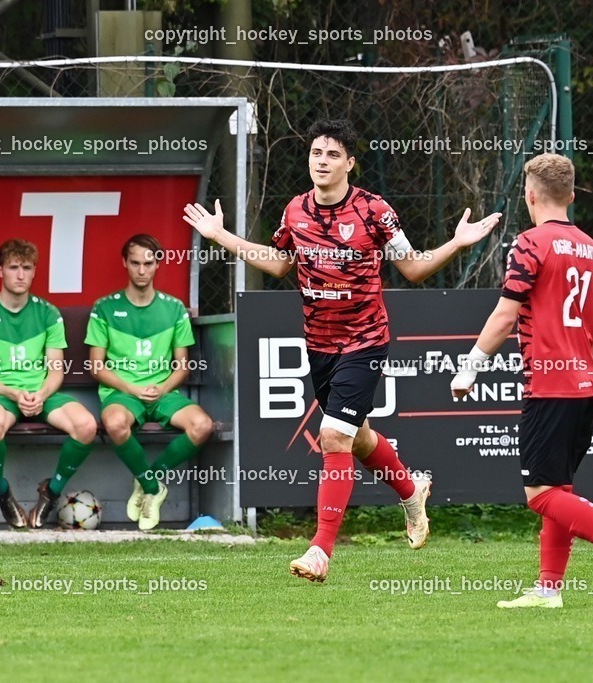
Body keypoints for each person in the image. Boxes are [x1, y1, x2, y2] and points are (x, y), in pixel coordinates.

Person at [184, 118, 501, 582]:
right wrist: (222, 237)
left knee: (334, 438)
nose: (323, 162)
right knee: (361, 437)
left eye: (333, 155)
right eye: (316, 153)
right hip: (319, 344)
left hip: (365, 340)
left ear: (350, 163)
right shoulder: (295, 211)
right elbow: (278, 264)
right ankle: (411, 492)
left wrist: (455, 242)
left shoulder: (374, 210)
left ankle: (319, 551)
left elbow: (411, 268)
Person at [450, 153, 593, 608]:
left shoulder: (529, 243)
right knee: (559, 490)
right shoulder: (592, 248)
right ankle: (549, 590)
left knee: (540, 495)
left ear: (530, 195)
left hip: (551, 388)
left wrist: (469, 367)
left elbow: (506, 314)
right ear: (569, 195)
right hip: (586, 383)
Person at [0, 239, 98, 529]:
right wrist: (13, 392)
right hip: (1, 394)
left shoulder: (48, 314)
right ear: (0, 270)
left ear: (35, 271)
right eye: (13, 267)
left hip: (42, 393)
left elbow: (55, 372)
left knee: (87, 426)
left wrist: (40, 394)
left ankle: (50, 493)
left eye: (27, 268)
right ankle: (2, 492)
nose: (20, 275)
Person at [85, 234, 214, 531]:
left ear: (158, 265)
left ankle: (147, 477)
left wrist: (162, 389)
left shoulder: (174, 308)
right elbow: (96, 367)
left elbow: (182, 367)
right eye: (135, 263)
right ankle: (154, 489)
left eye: (148, 263)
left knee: (203, 425)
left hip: (164, 392)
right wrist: (133, 389)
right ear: (125, 264)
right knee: (116, 423)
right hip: (123, 393)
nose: (142, 270)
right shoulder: (104, 308)